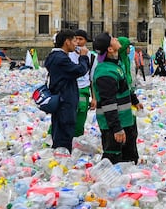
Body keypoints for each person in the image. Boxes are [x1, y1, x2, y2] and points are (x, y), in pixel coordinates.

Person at [91, 32, 140, 164]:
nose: (116, 38)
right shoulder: (105, 72)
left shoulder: (114, 66)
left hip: (125, 120)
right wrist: (116, 128)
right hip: (114, 125)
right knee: (114, 160)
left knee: (129, 159)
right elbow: (109, 103)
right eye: (112, 39)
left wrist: (134, 100)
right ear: (110, 49)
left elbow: (123, 88)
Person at [44, 29, 89, 153]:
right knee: (65, 132)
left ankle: (59, 155)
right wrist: (84, 57)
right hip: (65, 100)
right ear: (67, 42)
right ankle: (61, 157)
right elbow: (79, 70)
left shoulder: (54, 56)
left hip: (61, 99)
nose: (76, 44)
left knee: (59, 130)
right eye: (74, 40)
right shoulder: (61, 58)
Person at [71, 30, 94, 135]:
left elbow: (92, 78)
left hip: (83, 90)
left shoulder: (92, 56)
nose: (78, 42)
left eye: (81, 39)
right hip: (70, 89)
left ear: (85, 41)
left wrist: (94, 98)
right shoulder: (67, 54)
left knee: (80, 118)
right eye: (76, 39)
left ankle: (77, 140)